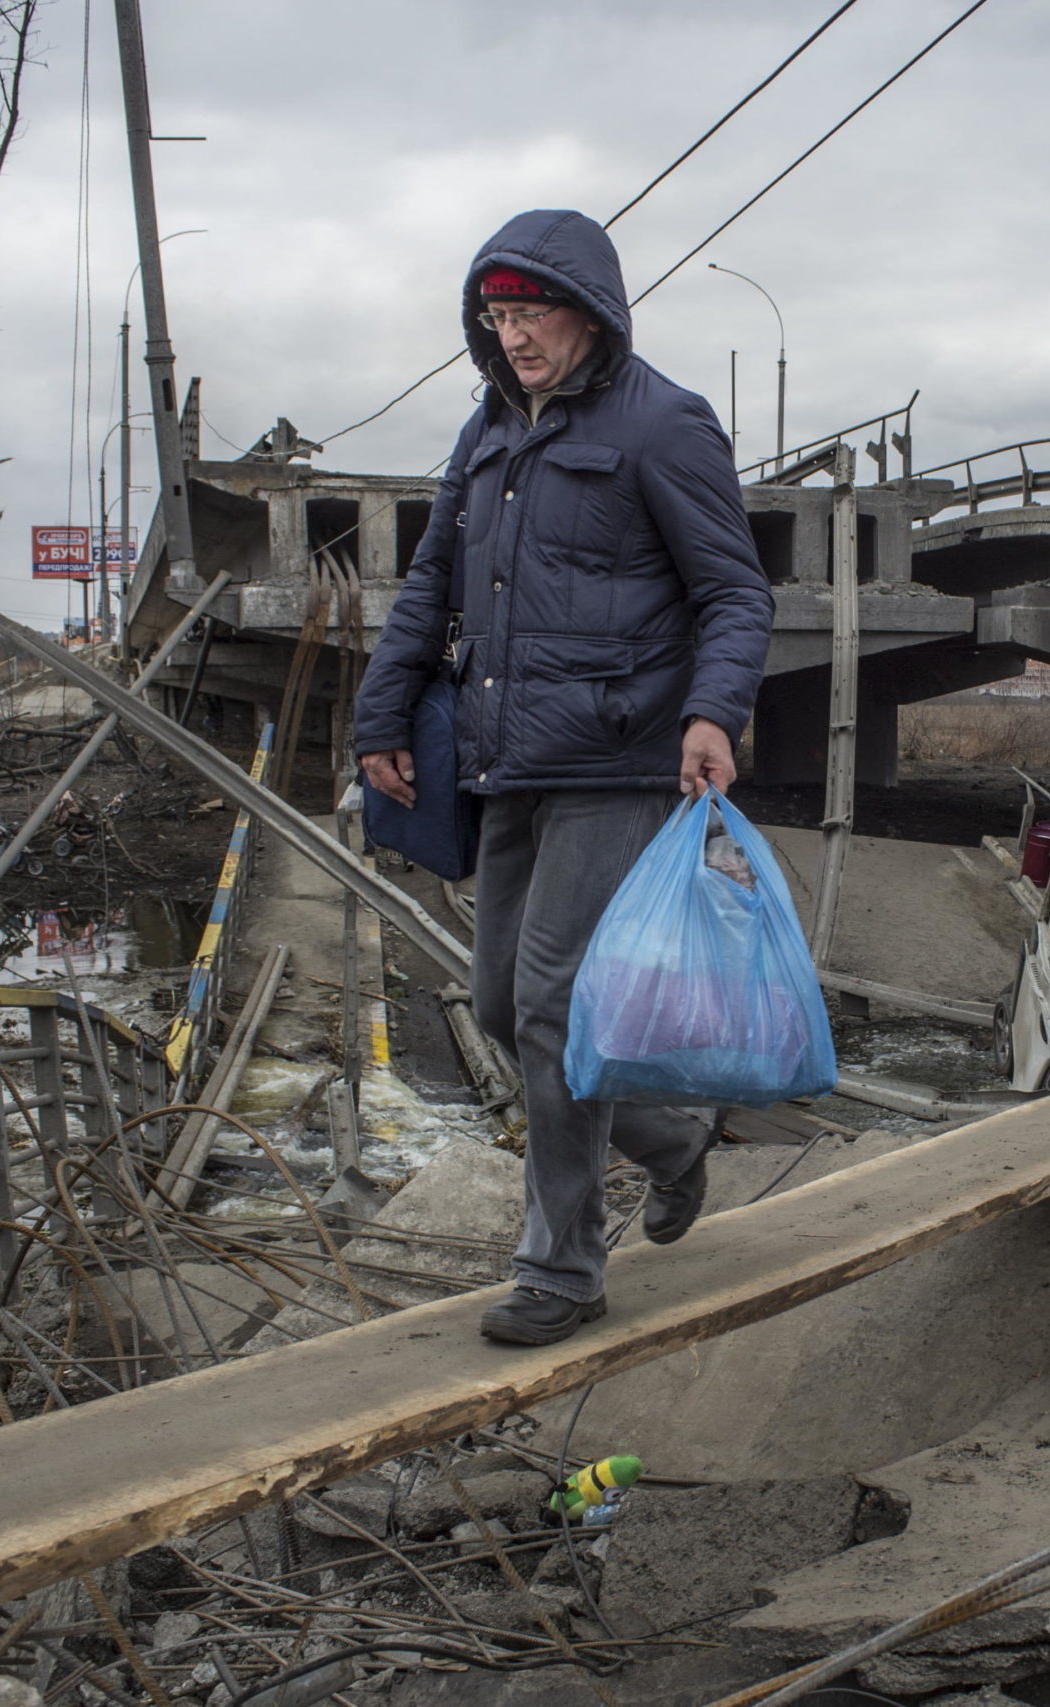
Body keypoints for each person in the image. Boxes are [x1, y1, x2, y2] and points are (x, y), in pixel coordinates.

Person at [353, 210, 774, 1346]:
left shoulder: (664, 425)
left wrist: (712, 711)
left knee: (548, 1009)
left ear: (586, 310)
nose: (512, 335)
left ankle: (562, 1270)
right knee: (499, 1002)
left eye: (528, 311)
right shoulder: (486, 430)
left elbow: (735, 593)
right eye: (495, 316)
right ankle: (676, 1140)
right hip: (508, 762)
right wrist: (379, 712)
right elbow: (432, 578)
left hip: (620, 758)